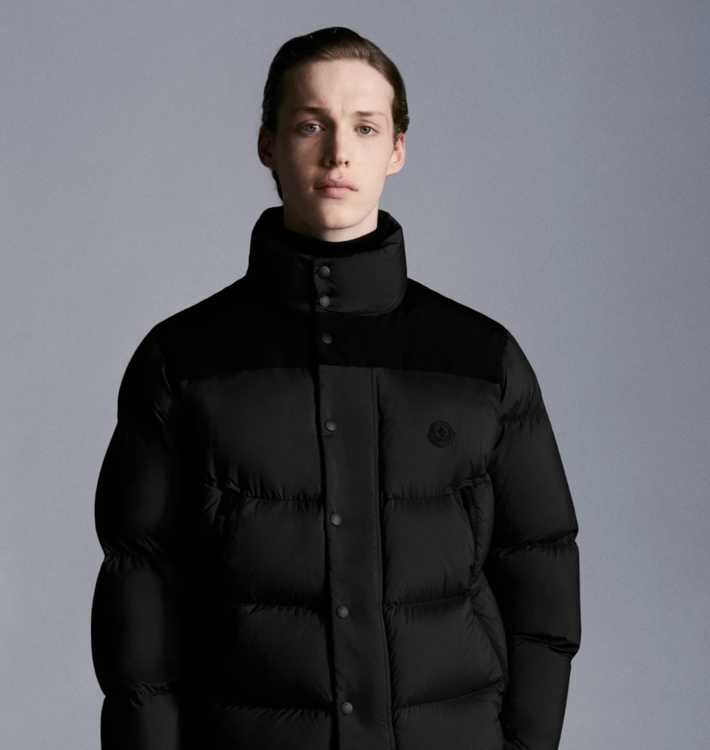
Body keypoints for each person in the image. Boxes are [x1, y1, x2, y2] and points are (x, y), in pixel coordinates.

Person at [91, 25, 581, 750]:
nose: (338, 152)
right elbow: (141, 603)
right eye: (310, 124)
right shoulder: (183, 361)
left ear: (398, 149)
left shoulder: (482, 361)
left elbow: (541, 573)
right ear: (268, 145)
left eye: (365, 126)